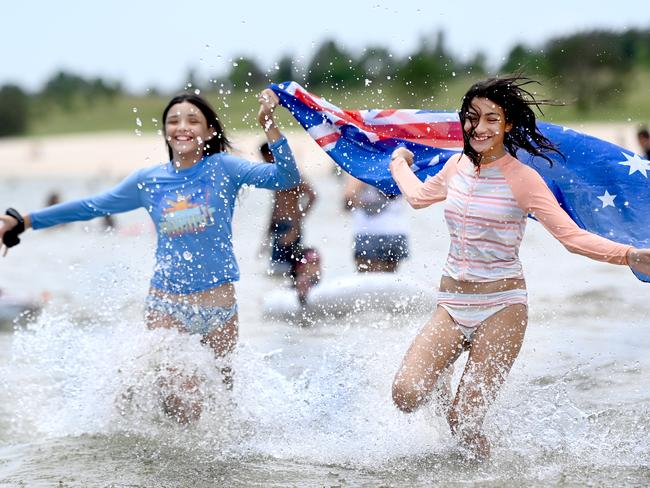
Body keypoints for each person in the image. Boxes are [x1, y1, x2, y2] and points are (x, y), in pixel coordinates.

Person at [0, 89, 301, 423]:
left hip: (219, 307)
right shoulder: (149, 181)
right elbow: (92, 206)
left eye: (192, 120)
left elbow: (287, 178)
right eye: (173, 121)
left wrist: (269, 124)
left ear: (209, 132)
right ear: (166, 132)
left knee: (223, 405)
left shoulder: (224, 168)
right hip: (167, 305)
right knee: (182, 398)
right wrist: (26, 220)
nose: (181, 126)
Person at [388, 76, 650, 458]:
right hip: (450, 305)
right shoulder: (456, 166)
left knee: (463, 422)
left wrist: (627, 254)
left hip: (501, 309)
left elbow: (571, 237)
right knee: (406, 396)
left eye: (492, 119)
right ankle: (445, 376)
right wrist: (398, 161)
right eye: (472, 117)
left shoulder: (524, 180)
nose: (480, 128)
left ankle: (487, 477)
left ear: (508, 124)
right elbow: (417, 196)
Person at [260, 142, 317, 277]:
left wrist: (296, 227)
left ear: (271, 155)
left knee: (287, 271)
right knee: (276, 272)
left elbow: (313, 196)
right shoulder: (276, 175)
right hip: (279, 226)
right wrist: (267, 235)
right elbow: (276, 205)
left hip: (290, 226)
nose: (264, 162)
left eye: (265, 158)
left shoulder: (291, 173)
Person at [343, 176, 409, 272]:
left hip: (368, 231)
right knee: (390, 281)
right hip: (396, 231)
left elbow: (349, 196)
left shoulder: (363, 166)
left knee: (366, 282)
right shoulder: (398, 165)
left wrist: (367, 205)